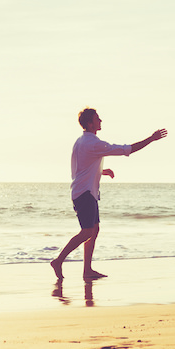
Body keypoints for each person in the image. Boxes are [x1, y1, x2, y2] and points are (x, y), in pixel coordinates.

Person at [51, 108, 167, 280]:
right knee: (87, 232)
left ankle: (87, 270)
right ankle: (59, 261)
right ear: (90, 123)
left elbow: (81, 167)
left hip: (85, 191)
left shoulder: (81, 142)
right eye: (98, 119)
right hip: (84, 193)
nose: (101, 121)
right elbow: (126, 149)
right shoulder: (93, 143)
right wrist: (151, 138)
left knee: (94, 230)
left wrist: (101, 171)